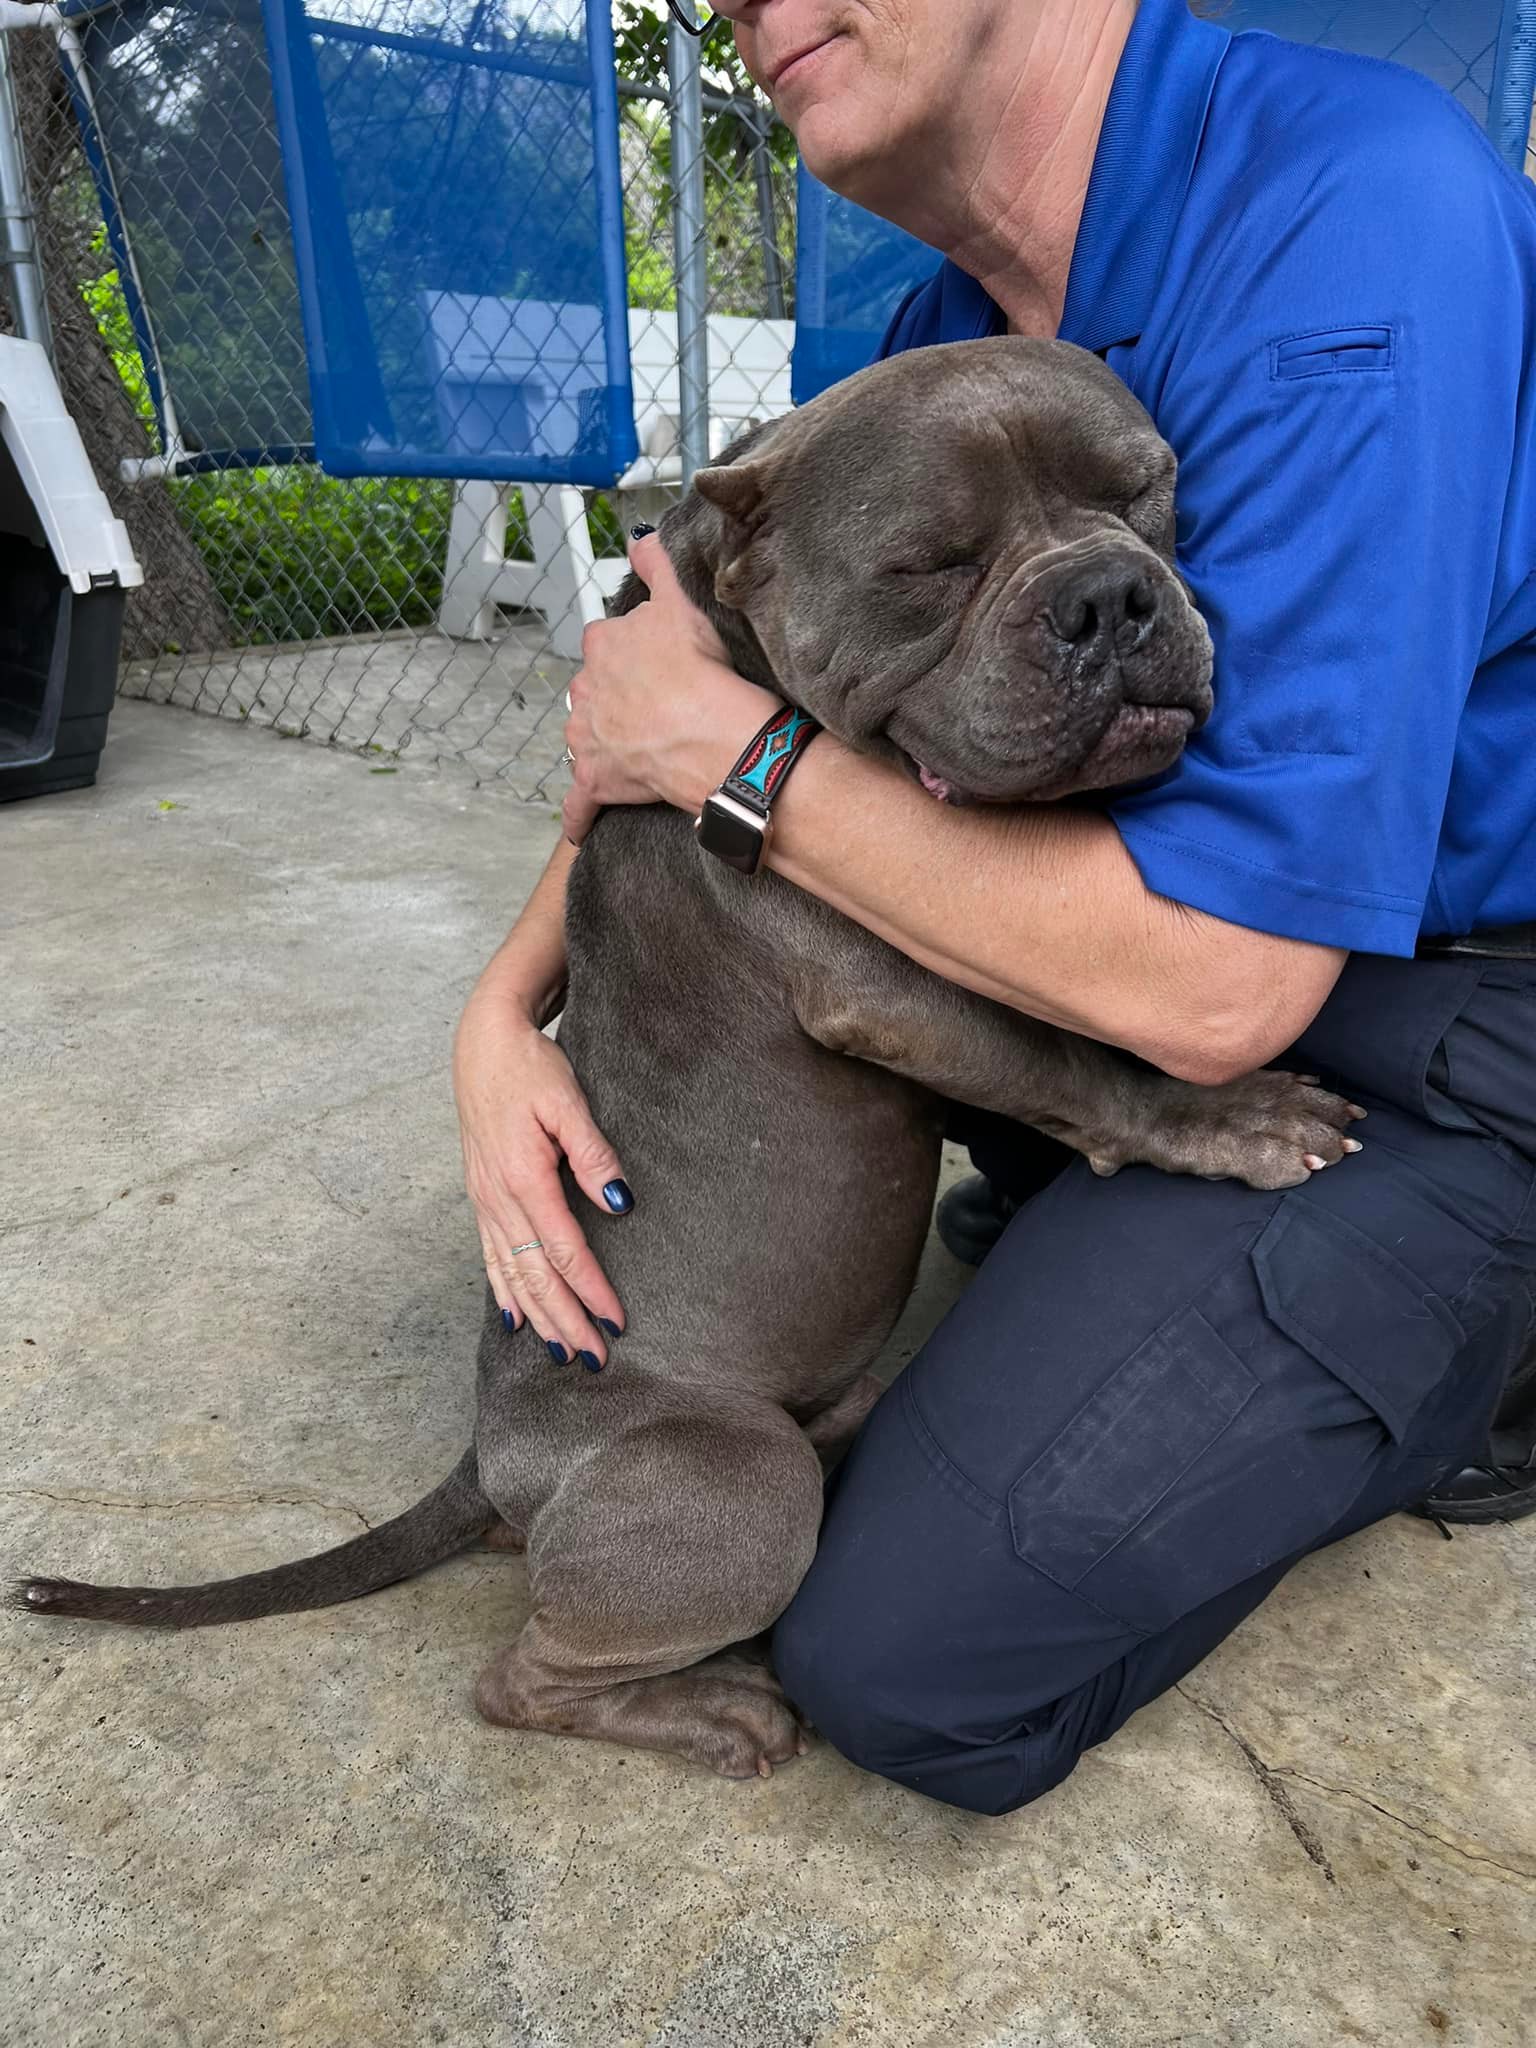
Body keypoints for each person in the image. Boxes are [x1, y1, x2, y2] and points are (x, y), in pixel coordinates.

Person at [452, 0, 1536, 1814]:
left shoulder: (1353, 211)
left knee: (910, 1667)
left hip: (1428, 1001)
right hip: (1115, 967)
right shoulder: (941, 330)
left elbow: (1212, 1001)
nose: (751, 8)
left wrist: (749, 760)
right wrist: (497, 1012)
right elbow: (663, 695)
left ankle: (1489, 1344)